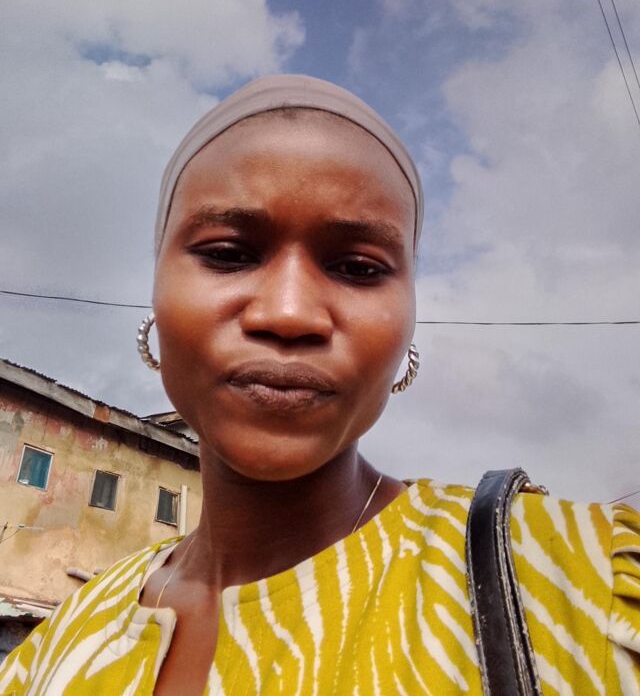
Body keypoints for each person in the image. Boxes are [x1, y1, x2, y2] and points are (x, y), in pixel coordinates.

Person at [1, 75, 638, 695]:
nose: (289, 314)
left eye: (358, 268)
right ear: (157, 293)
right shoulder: (60, 644)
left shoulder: (579, 579)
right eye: (227, 254)